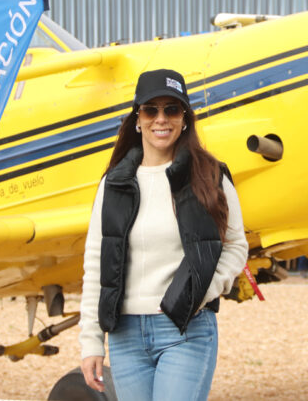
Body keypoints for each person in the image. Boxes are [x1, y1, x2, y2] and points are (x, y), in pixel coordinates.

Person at [78, 68, 248, 401]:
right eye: (150, 110)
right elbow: (96, 264)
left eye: (172, 109)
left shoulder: (210, 176)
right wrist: (91, 342)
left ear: (184, 119)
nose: (161, 119)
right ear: (137, 119)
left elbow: (235, 246)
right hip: (125, 337)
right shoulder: (113, 184)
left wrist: (201, 293)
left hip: (186, 330)